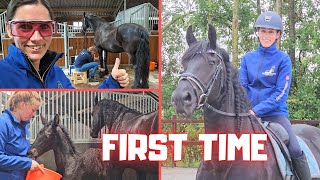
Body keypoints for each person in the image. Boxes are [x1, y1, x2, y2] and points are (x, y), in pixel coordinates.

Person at [239, 11, 311, 180]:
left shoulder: (283, 60)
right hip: (247, 115)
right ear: (257, 32)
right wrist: (246, 109)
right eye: (263, 31)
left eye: (271, 32)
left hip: (275, 114)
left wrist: (257, 110)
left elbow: (281, 93)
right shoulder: (247, 59)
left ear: (277, 35)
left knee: (294, 147)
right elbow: (241, 88)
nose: (266, 35)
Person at [0, 0, 129, 88]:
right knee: (95, 64)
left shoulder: (57, 73)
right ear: (8, 29)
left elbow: (80, 104)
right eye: (25, 26)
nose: (36, 37)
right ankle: (93, 77)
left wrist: (112, 81)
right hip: (79, 69)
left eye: (45, 26)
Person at [0, 91, 44, 180]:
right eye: (33, 110)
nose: (34, 115)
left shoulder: (23, 126)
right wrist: (27, 163)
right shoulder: (3, 124)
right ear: (22, 105)